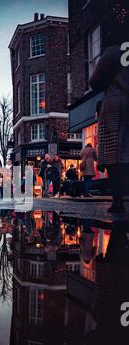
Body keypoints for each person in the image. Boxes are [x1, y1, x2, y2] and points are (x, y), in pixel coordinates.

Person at [89, 13, 129, 213]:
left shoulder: (114, 51)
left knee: (114, 153)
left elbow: (94, 82)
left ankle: (119, 199)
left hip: (116, 102)